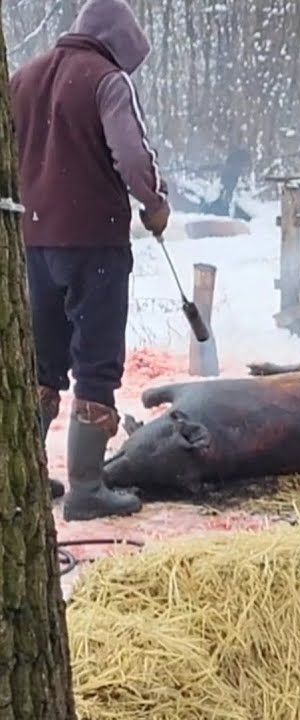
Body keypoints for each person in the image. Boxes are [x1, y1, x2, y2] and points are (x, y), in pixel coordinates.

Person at [10, 0, 171, 521]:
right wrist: (154, 202)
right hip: (94, 245)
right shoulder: (107, 80)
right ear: (117, 41)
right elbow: (130, 153)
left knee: (43, 365)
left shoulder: (24, 78)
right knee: (96, 364)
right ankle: (86, 489)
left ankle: (23, 480)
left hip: (34, 242)